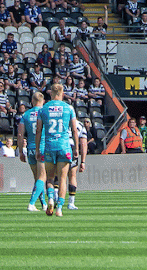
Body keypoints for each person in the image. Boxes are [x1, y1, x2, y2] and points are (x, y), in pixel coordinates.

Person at [37, 82, 83, 216]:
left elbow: (39, 130)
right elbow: (74, 130)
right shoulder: (68, 108)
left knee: (50, 178)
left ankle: (51, 199)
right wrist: (76, 148)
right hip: (64, 146)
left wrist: (39, 149)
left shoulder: (43, 108)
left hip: (49, 146)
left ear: (51, 93)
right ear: (62, 94)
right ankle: (59, 209)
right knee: (63, 179)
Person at [19, 91, 47, 212]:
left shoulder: (25, 115)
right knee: (42, 177)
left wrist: (20, 151)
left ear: (32, 101)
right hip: (42, 147)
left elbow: (20, 134)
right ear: (43, 101)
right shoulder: (45, 113)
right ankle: (31, 203)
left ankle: (44, 204)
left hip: (30, 148)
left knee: (37, 179)